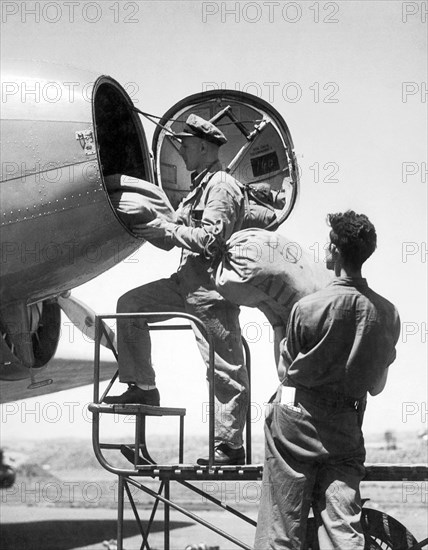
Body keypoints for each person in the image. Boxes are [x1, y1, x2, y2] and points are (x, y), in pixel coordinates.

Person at [104, 114, 249, 466]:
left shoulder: (222, 186)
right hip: (184, 284)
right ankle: (143, 388)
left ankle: (229, 446)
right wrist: (145, 224)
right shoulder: (198, 188)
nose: (181, 149)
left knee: (224, 369)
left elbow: (211, 241)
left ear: (203, 146)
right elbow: (173, 237)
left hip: (212, 290)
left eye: (185, 143)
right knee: (130, 306)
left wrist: (166, 230)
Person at [254, 210, 401, 549]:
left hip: (295, 427)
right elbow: (376, 387)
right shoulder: (388, 313)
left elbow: (284, 374)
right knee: (342, 527)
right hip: (346, 430)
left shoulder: (307, 308)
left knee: (282, 526)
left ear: (334, 251)